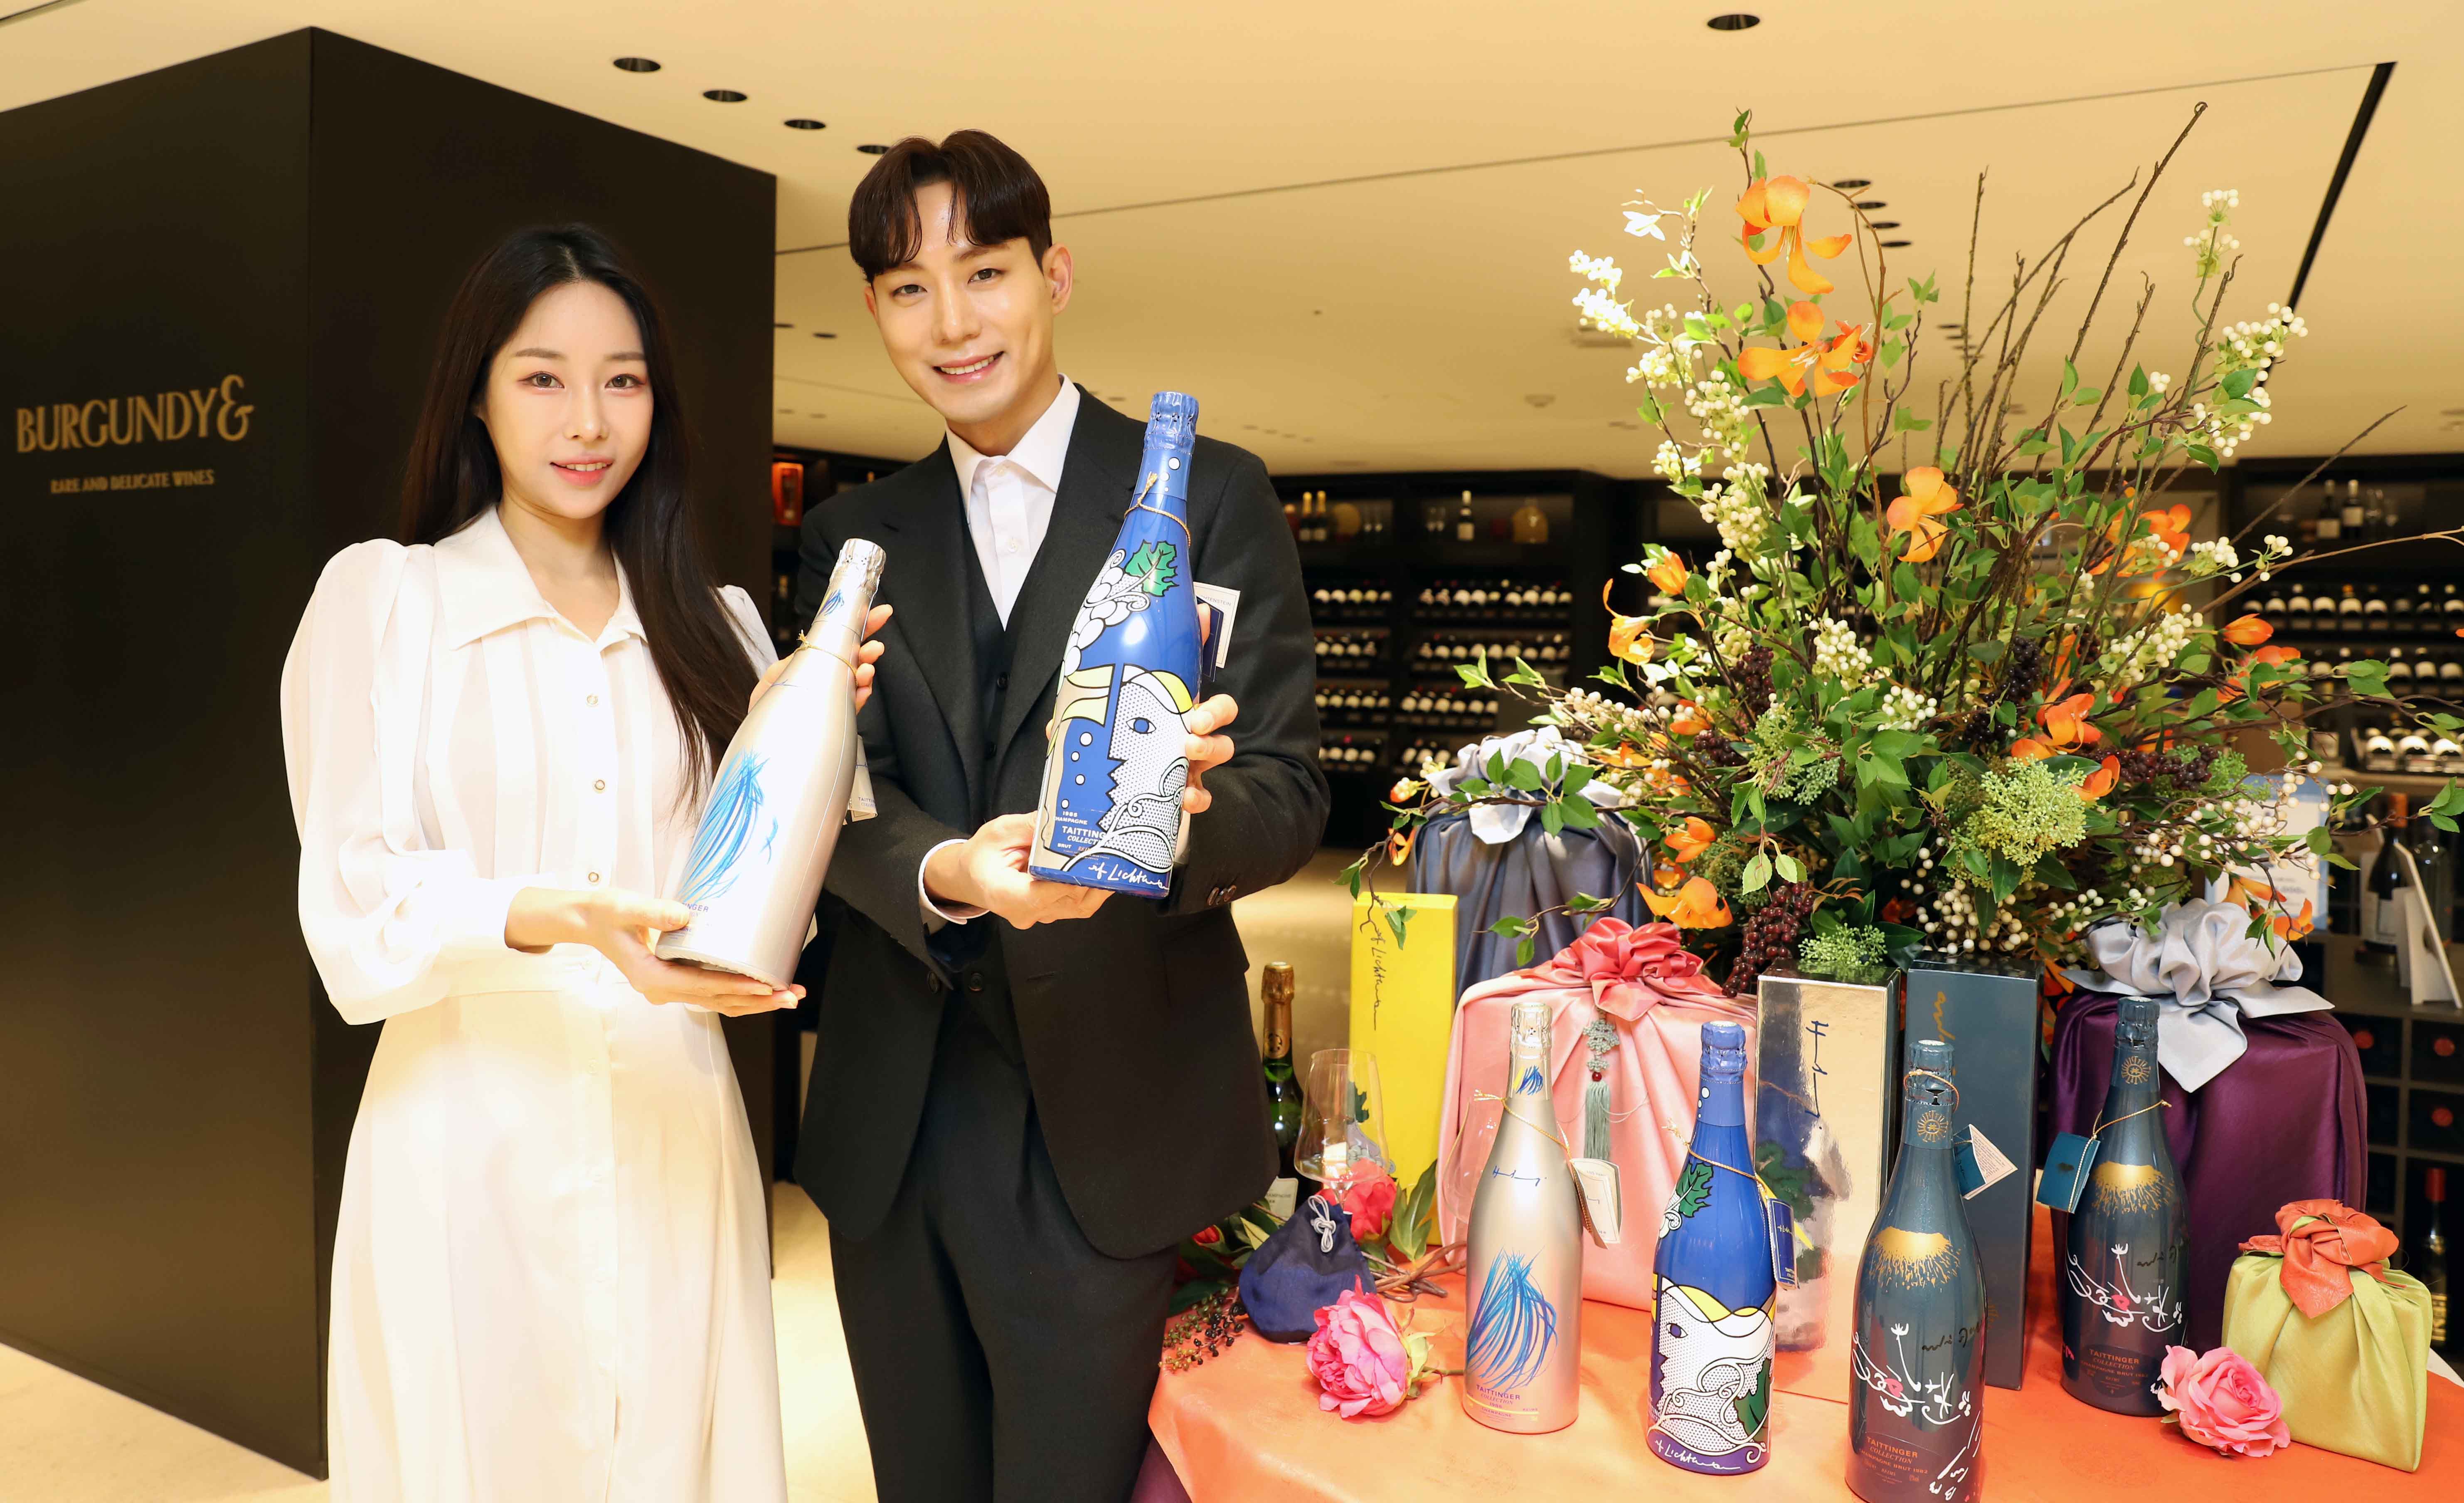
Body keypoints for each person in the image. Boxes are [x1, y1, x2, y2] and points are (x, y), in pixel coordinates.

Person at [281, 224, 885, 1502]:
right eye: (543, 377)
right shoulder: (387, 604)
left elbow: (766, 910)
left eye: (624, 380)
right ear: (477, 392)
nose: (589, 421)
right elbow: (354, 909)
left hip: (676, 1125)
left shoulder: (719, 628)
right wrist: (544, 913)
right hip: (464, 1143)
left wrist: (796, 771)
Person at [788, 131, 1327, 1501]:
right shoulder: (854, 532)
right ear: (875, 312)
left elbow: (1284, 788)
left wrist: (1162, 825)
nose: (952, 323)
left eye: (986, 273)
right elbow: (836, 795)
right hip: (897, 1118)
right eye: (909, 290)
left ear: (1056, 275)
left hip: (1113, 1115)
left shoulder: (1206, 495)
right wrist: (948, 868)